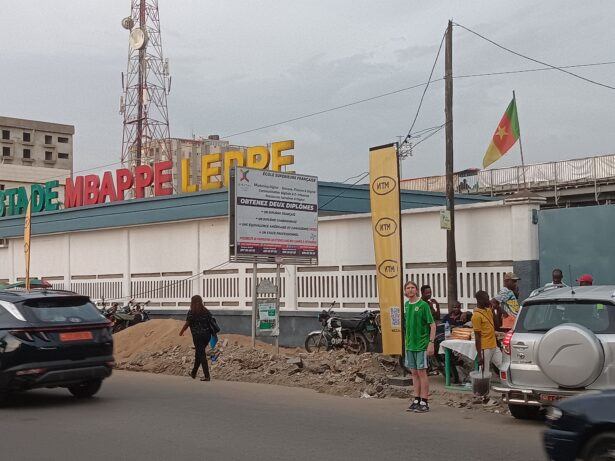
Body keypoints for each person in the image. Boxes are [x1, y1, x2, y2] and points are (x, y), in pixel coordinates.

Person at [404, 280, 436, 413]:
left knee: (422, 372)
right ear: (405, 292)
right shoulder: (406, 305)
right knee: (414, 373)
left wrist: (431, 343)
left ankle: (424, 401)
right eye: (408, 288)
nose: (410, 290)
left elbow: (432, 325)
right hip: (410, 345)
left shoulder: (423, 305)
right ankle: (416, 399)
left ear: (416, 290)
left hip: (422, 344)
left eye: (412, 288)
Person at [179, 294, 213, 381]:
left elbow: (187, 323)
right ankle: (193, 373)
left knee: (201, 354)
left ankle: (207, 376)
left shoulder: (192, 312)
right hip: (207, 336)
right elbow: (211, 321)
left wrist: (181, 331)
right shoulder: (206, 311)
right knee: (199, 353)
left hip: (197, 336)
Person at [473, 291, 502, 377]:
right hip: (485, 348)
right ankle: (483, 389)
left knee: (502, 365)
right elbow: (477, 337)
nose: (488, 301)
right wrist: (479, 355)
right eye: (486, 299)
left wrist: (494, 311)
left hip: (493, 345)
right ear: (480, 300)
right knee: (485, 372)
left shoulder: (488, 311)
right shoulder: (476, 316)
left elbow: (497, 326)